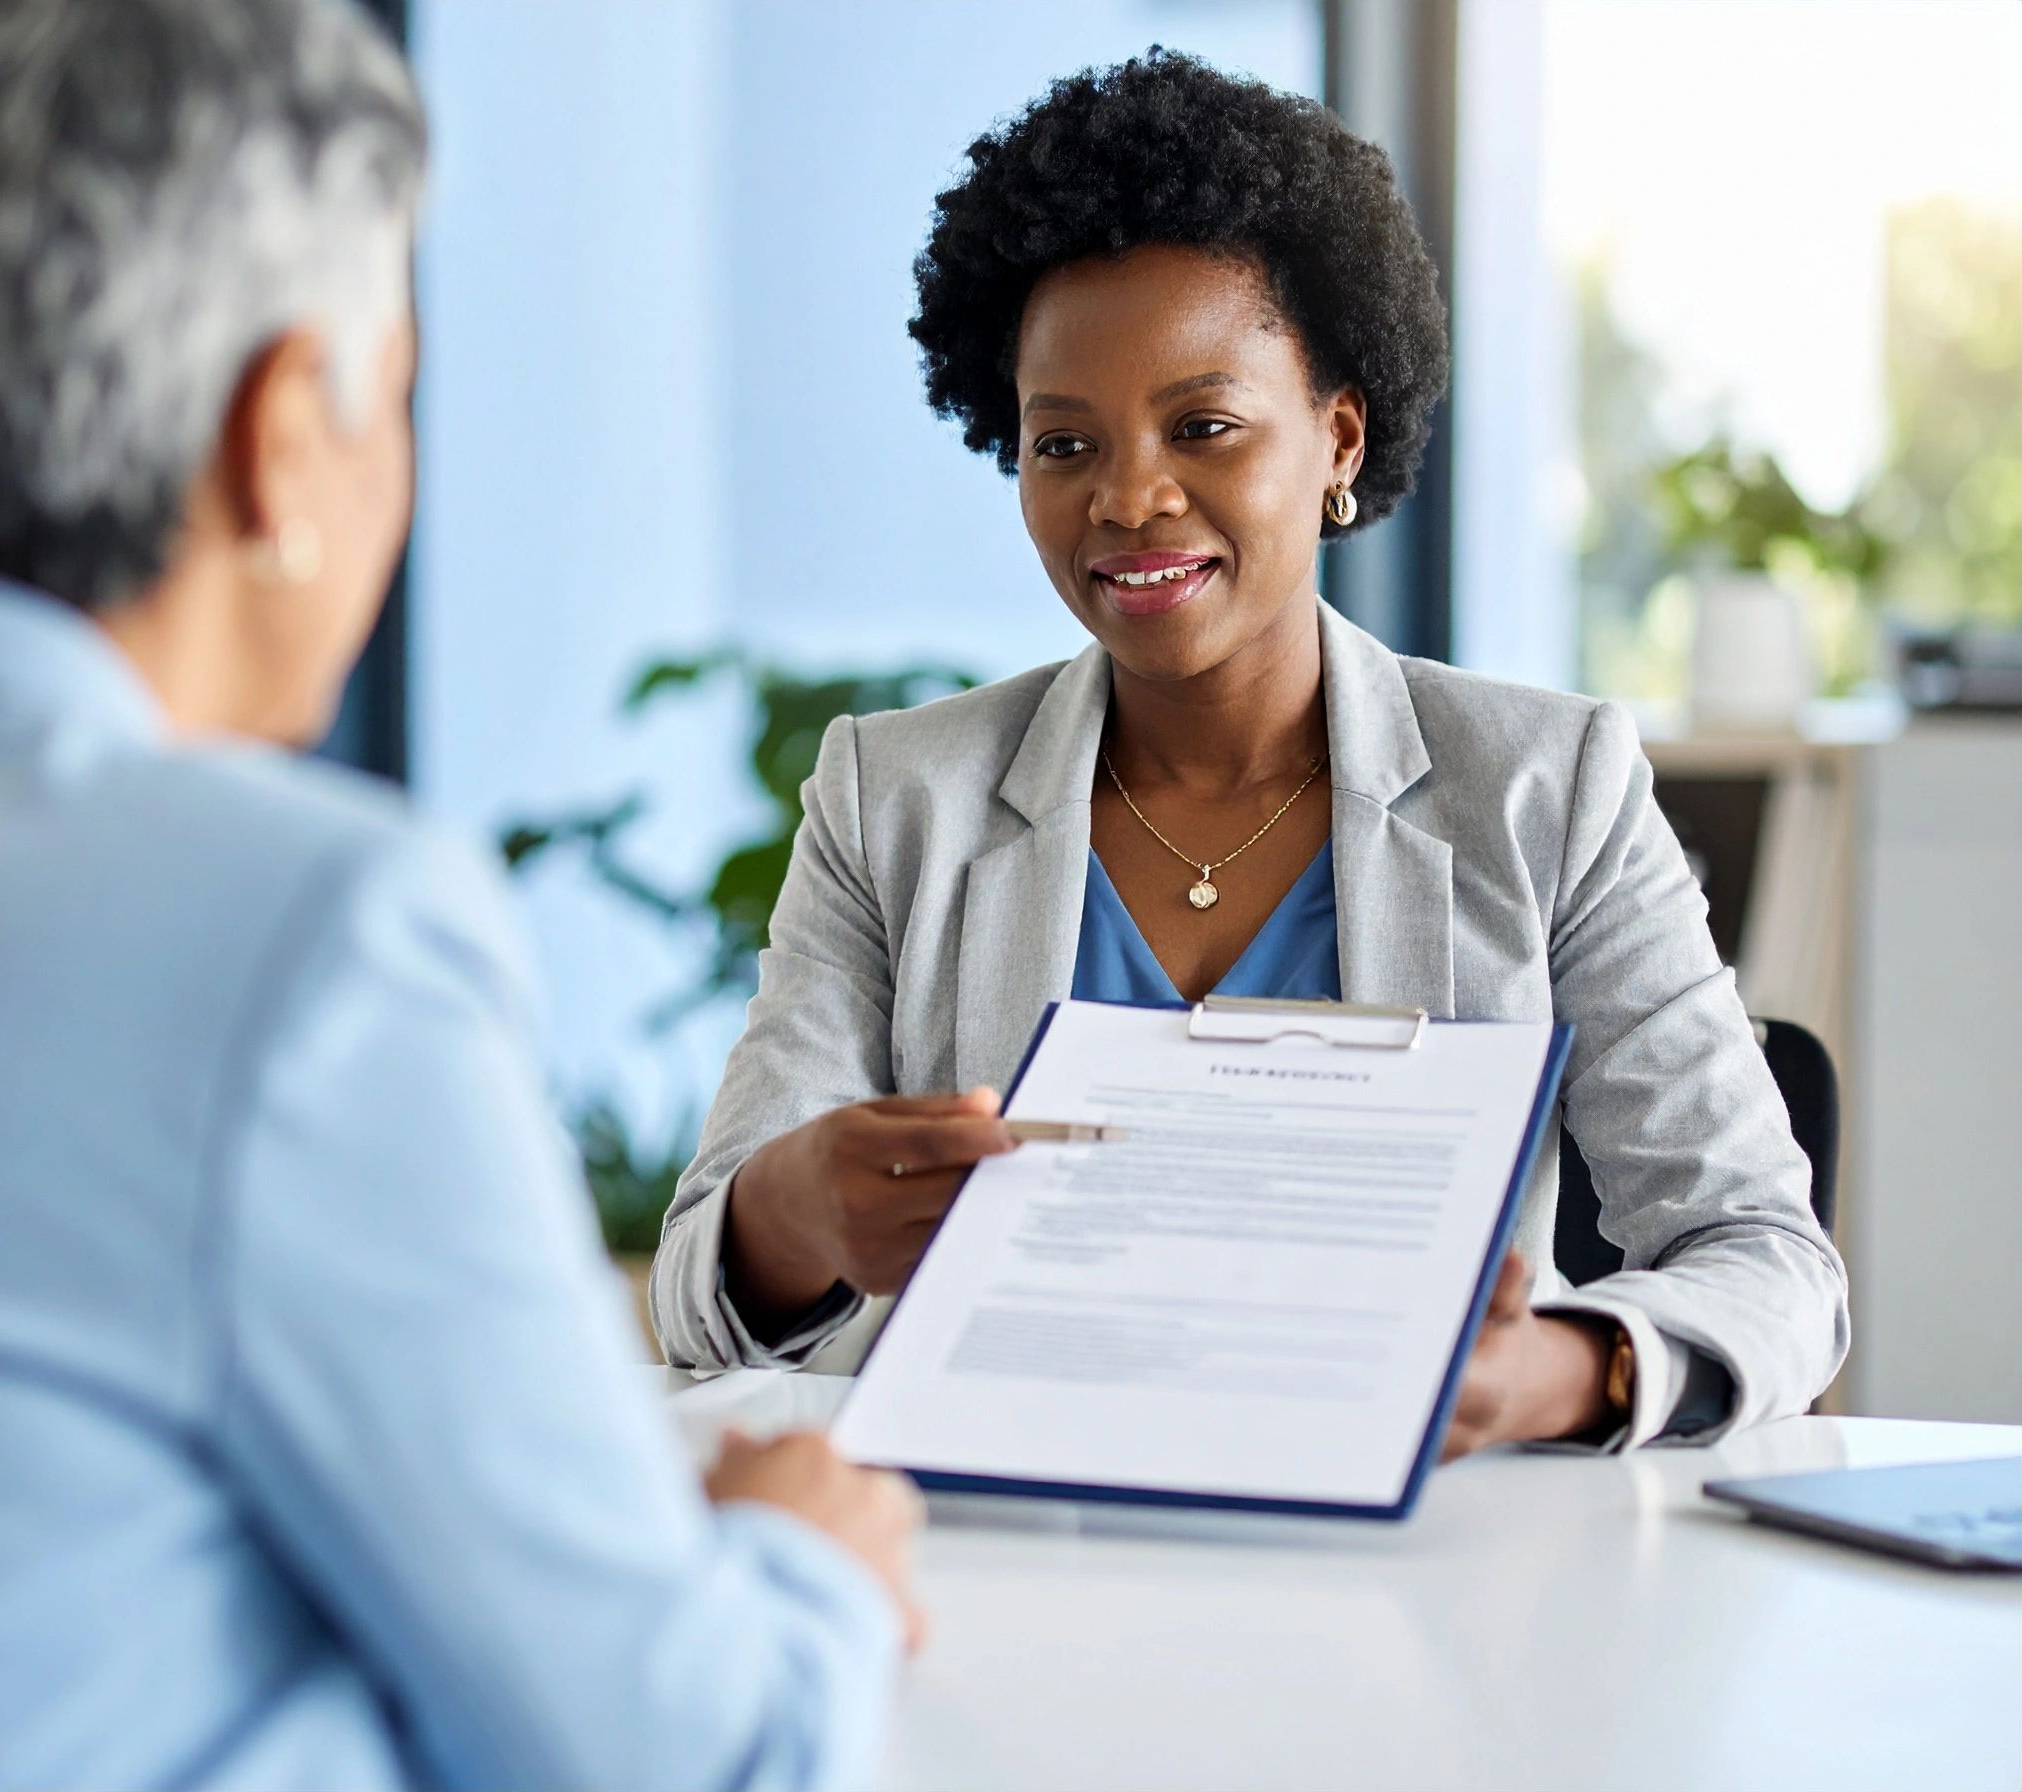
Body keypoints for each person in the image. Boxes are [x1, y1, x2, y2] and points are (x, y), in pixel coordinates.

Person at [0, 3, 918, 1787]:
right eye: (403, 393)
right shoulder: (300, 931)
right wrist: (805, 1573)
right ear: (284, 436)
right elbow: (681, 1755)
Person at [652, 51, 1848, 1457]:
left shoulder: (1548, 789)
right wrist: (789, 1215)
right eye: (1062, 443)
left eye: (1203, 426)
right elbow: (694, 1305)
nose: (1129, 497)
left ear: (1337, 437)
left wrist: (1563, 1374)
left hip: (1419, 1580)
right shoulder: (892, 800)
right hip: (997, 1559)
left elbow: (1768, 1257)